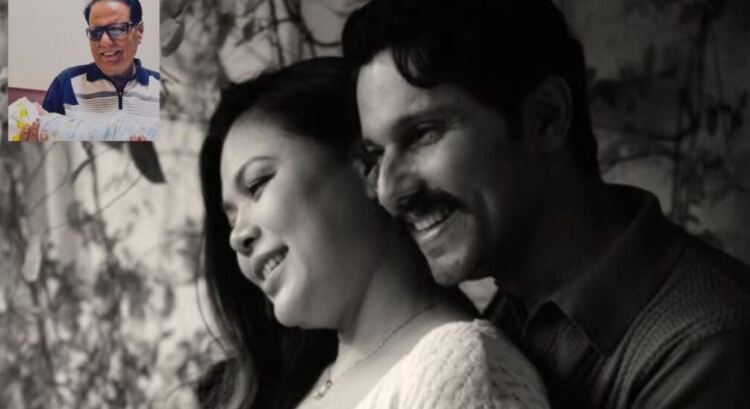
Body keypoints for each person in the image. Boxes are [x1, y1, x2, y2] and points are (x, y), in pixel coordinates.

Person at [343, 0, 750, 407]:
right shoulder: (509, 313)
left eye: (423, 133)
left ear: (546, 118)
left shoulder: (710, 349)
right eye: (376, 154)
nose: (389, 192)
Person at [197, 57, 549, 408]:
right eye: (231, 219)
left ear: (367, 167)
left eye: (257, 184)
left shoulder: (463, 371)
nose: (236, 236)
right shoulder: (304, 384)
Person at [40, 0, 159, 141]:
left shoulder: (162, 89)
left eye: (116, 29)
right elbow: (44, 133)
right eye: (95, 32)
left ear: (139, 31)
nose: (104, 42)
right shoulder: (66, 83)